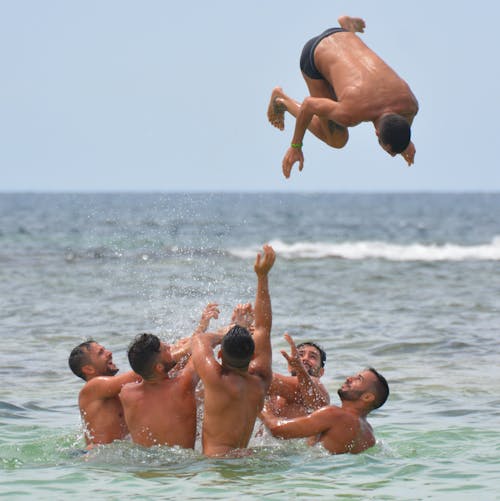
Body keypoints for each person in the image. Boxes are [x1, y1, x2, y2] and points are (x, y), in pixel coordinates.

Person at [267, 15, 419, 179]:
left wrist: (405, 143)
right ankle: (280, 100)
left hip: (343, 36)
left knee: (349, 73)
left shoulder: (410, 104)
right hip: (313, 56)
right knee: (337, 139)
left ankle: (348, 28)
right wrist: (295, 146)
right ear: (376, 133)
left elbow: (402, 124)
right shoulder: (350, 113)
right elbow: (308, 105)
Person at [192, 244, 276, 457]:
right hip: (244, 456)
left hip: (217, 463)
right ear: (252, 356)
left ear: (220, 355)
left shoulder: (215, 377)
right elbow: (264, 328)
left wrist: (229, 329)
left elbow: (200, 340)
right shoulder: (261, 380)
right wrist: (262, 277)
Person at [119, 303, 220, 448]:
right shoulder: (182, 385)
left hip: (144, 468)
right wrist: (234, 328)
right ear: (159, 367)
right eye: (165, 349)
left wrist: (201, 327)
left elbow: (170, 367)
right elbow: (200, 348)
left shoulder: (127, 393)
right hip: (182, 468)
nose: (169, 346)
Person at [260, 368, 389, 454]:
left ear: (367, 397)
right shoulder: (369, 436)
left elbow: (276, 429)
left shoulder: (335, 414)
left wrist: (260, 400)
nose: (349, 378)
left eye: (358, 379)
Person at [68, 340, 141, 449]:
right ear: (89, 369)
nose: (109, 353)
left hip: (112, 455)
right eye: (101, 353)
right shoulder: (93, 386)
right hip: (97, 458)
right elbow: (142, 372)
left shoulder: (116, 391)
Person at [265, 333, 330, 419]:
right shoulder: (274, 394)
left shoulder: (317, 386)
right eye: (300, 355)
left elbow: (261, 378)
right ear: (289, 367)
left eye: (312, 357)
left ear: (320, 372)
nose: (305, 358)